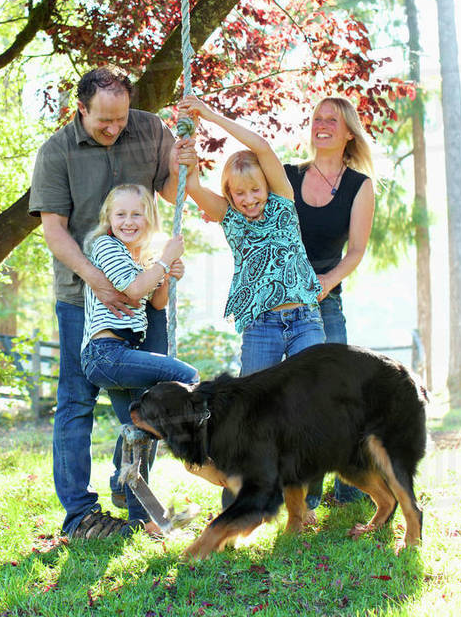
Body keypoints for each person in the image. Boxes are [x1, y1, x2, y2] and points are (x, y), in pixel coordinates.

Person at [29, 65, 179, 540]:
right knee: (76, 399)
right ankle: (79, 515)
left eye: (121, 118)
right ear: (81, 109)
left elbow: (175, 191)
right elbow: (53, 229)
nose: (114, 129)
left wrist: (185, 162)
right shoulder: (56, 152)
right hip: (81, 297)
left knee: (150, 402)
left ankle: (132, 493)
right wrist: (95, 279)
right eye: (103, 122)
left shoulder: (151, 129)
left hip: (143, 290)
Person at [174, 94, 325, 374]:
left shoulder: (282, 201)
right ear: (229, 193)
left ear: (267, 184)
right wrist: (188, 154)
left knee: (312, 389)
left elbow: (262, 147)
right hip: (260, 325)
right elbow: (193, 186)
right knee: (253, 399)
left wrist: (210, 115)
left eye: (255, 189)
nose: (249, 199)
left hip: (304, 319)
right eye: (239, 192)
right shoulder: (229, 216)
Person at [80, 184, 200, 532]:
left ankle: (138, 516)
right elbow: (132, 291)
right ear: (108, 219)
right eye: (121, 214)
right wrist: (163, 260)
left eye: (137, 214)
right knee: (187, 376)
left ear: (149, 219)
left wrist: (166, 273)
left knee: (138, 433)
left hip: (124, 355)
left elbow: (156, 303)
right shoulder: (107, 246)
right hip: (106, 354)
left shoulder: (140, 261)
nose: (129, 221)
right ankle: (195, 444)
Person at [284, 95, 377, 507]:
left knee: (336, 396)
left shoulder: (360, 187)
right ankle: (307, 490)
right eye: (317, 118)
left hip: (325, 299)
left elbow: (356, 250)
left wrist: (326, 282)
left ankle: (349, 484)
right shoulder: (287, 175)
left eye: (332, 121)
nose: (321, 125)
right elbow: (241, 197)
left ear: (347, 134)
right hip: (281, 303)